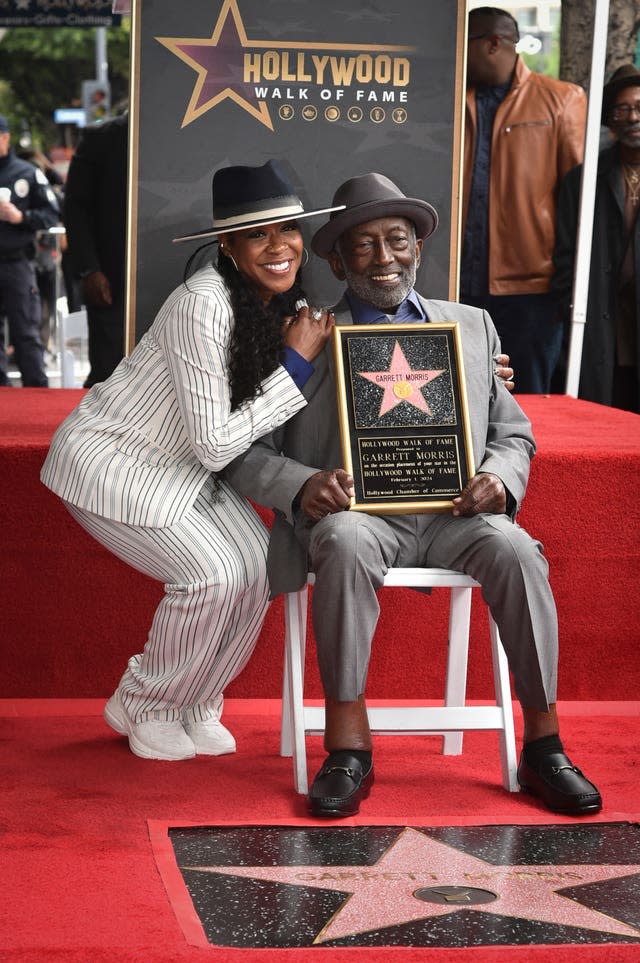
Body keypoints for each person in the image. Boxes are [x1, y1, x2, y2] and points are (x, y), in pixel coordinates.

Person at [226, 172, 602, 819]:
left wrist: (499, 477)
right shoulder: (308, 336)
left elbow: (514, 432)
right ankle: (348, 746)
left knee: (518, 549)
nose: (383, 257)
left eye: (396, 240)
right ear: (338, 260)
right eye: (363, 245)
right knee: (341, 539)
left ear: (418, 249)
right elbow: (244, 450)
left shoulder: (472, 327)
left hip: (455, 514)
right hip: (360, 518)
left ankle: (544, 744)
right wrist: (303, 484)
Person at [40, 159, 342, 761]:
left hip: (186, 471)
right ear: (227, 245)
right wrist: (296, 366)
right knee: (210, 576)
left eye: (287, 229)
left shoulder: (280, 300)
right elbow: (216, 443)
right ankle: (144, 701)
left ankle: (195, 701)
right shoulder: (201, 302)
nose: (279, 246)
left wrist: (471, 372)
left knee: (261, 566)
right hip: (117, 461)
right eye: (258, 234)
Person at [461, 7, 587, 394]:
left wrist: (565, 283)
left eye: (464, 45)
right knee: (461, 397)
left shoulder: (561, 100)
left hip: (532, 288)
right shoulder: (449, 101)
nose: (457, 56)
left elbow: (578, 201)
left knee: (531, 399)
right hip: (456, 283)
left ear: (493, 44)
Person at [553, 64, 640, 413]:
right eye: (624, 108)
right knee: (606, 407)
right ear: (610, 119)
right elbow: (565, 250)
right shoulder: (586, 178)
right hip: (602, 316)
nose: (634, 116)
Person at [63, 112, 129, 387]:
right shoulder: (100, 138)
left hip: (168, 275)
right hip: (110, 278)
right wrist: (90, 269)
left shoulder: (179, 132)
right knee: (108, 374)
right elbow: (75, 210)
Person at [0, 115, 59, 387]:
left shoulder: (26, 172)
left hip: (16, 263)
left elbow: (51, 214)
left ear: (5, 137)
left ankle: (36, 395)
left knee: (25, 333)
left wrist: (20, 218)